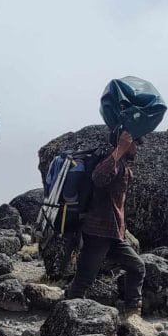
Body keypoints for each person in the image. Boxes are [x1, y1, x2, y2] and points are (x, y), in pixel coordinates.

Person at [63, 130, 146, 316]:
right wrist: (121, 148)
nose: (138, 149)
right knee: (84, 279)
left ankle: (132, 315)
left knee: (137, 267)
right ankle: (66, 318)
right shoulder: (111, 161)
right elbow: (99, 178)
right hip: (97, 232)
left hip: (114, 233)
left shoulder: (123, 165)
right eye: (136, 144)